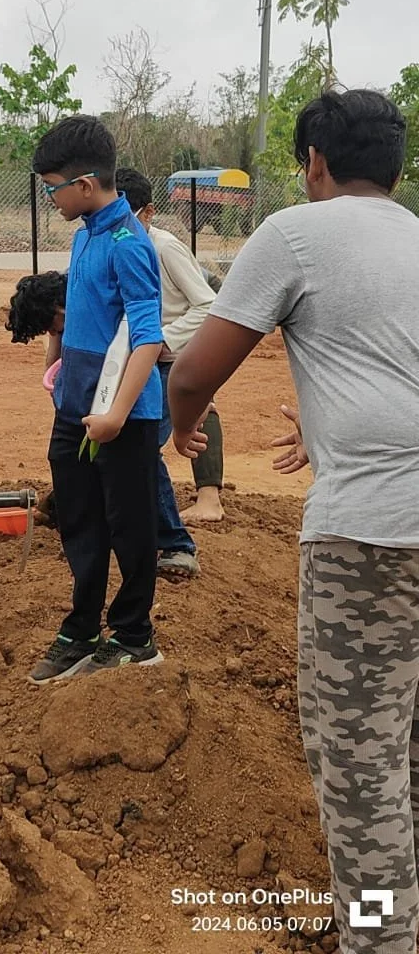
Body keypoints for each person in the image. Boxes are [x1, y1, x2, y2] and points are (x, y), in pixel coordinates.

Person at [168, 89, 419, 954]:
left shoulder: (294, 233)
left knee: (360, 764)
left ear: (315, 163)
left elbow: (198, 370)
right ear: (396, 166)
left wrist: (180, 424)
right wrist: (334, 424)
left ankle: (381, 939)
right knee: (408, 741)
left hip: (373, 538)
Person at [29, 116, 164, 683]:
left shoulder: (130, 244)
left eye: (52, 186)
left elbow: (149, 336)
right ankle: (83, 625)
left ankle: (135, 634)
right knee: (80, 518)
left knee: (130, 525)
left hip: (123, 415)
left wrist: (114, 414)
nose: (50, 196)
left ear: (84, 184)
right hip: (76, 406)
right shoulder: (85, 234)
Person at [115, 167, 227, 575]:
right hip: (137, 363)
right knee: (132, 446)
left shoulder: (164, 248)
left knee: (142, 448)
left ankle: (177, 543)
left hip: (169, 361)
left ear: (148, 213)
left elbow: (208, 305)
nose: (121, 227)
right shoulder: (122, 247)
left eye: (128, 218)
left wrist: (164, 340)